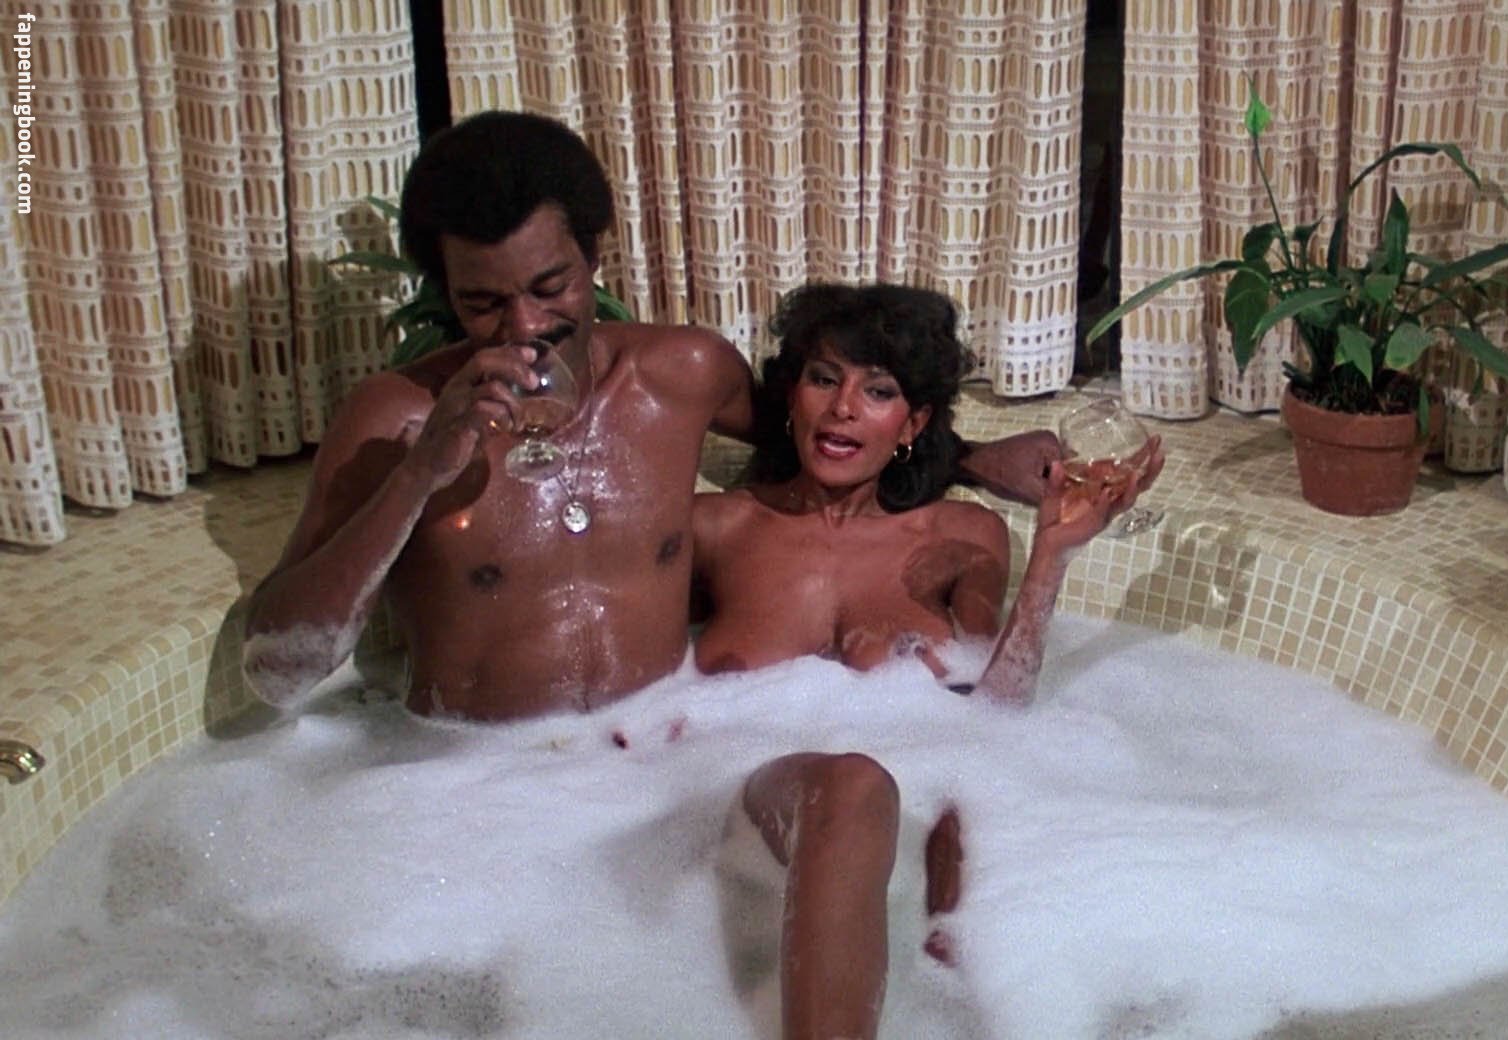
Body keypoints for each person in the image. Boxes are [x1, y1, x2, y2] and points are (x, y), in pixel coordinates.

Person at [241, 111, 1058, 721]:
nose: (525, 327)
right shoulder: (395, 414)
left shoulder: (682, 375)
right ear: (446, 292)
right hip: (481, 785)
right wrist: (419, 475)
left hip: (662, 760)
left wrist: (973, 457)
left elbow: (827, 432)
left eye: (552, 287)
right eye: (483, 303)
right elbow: (277, 673)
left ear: (594, 256)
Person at [691, 282, 1161, 1040]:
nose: (843, 408)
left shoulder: (963, 535)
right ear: (792, 397)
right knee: (852, 784)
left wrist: (1050, 556)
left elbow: (995, 717)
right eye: (823, 379)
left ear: (911, 424)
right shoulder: (716, 528)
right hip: (745, 812)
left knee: (941, 822)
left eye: (878, 392)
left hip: (909, 831)